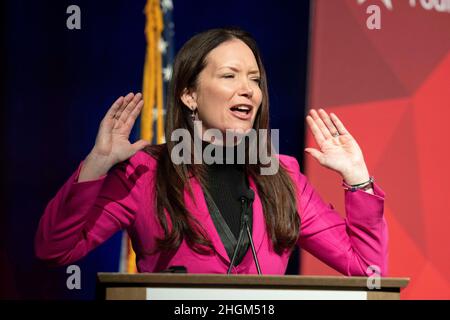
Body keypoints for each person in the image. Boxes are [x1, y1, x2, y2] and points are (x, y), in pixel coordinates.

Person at [35, 28, 388, 276]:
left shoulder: (282, 174)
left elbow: (367, 268)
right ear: (189, 94)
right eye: (230, 76)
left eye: (254, 79)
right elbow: (54, 250)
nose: (248, 90)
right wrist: (95, 166)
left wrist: (357, 179)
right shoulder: (146, 172)